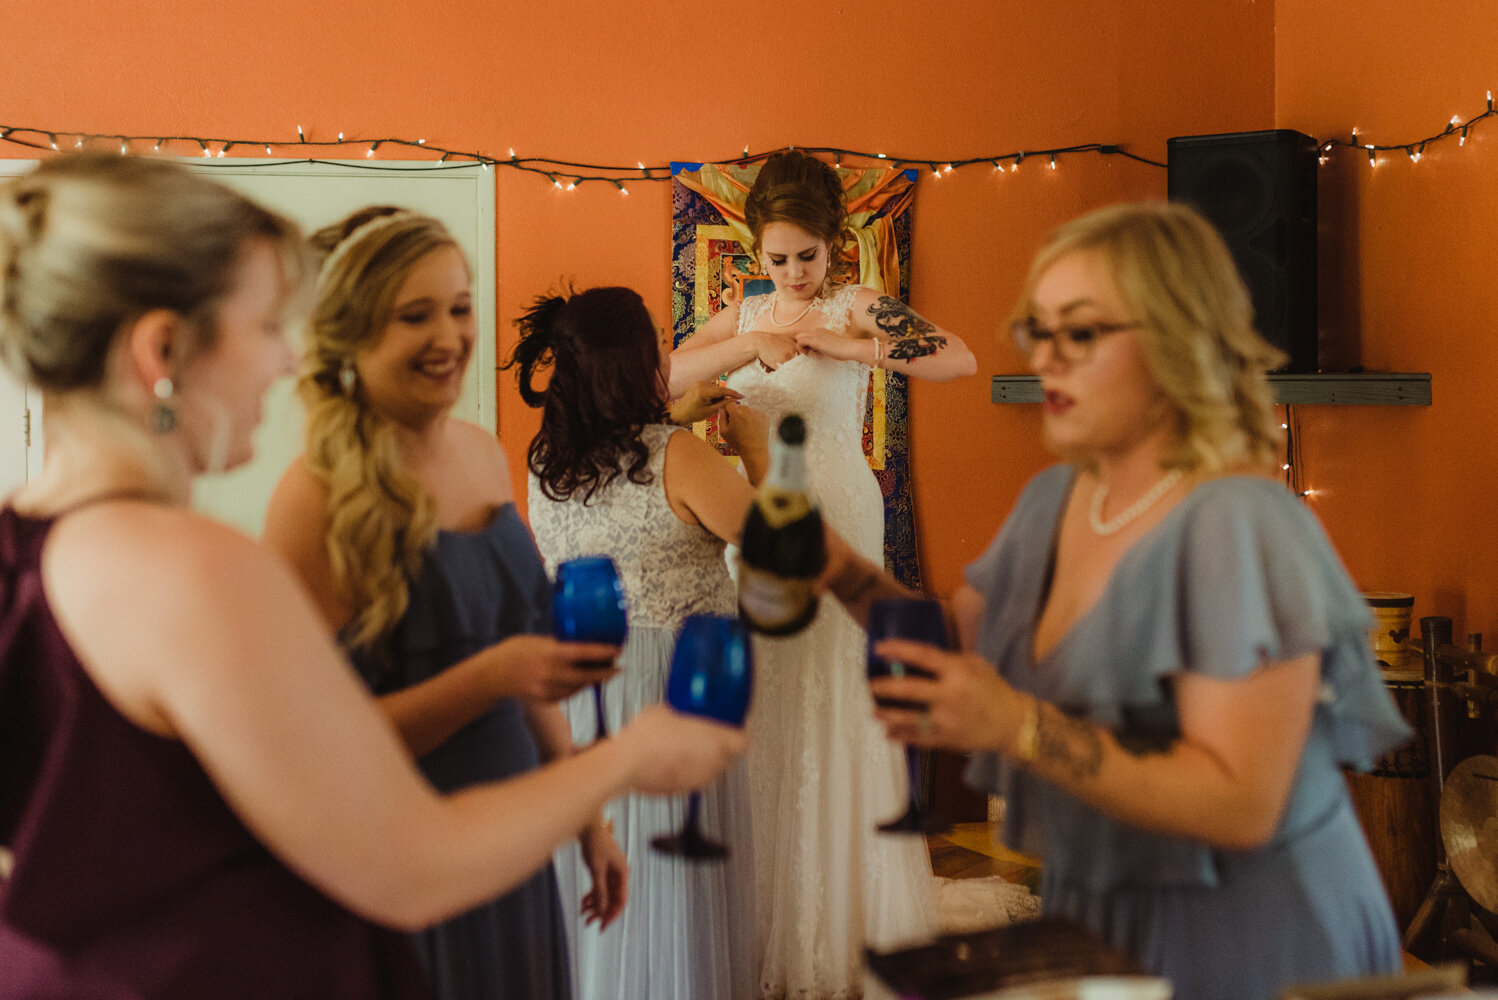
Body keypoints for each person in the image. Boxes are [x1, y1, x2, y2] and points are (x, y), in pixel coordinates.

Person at [0, 153, 743, 1000]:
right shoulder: (195, 571)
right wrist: (627, 759)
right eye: (265, 326)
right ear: (163, 348)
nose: (288, 363)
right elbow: (413, 864)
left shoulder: (29, 543)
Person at [862, 201, 1411, 1000]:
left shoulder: (1240, 521)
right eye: (1037, 330)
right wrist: (816, 570)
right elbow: (949, 633)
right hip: (1105, 916)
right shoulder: (1057, 499)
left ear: (1176, 340)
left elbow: (1240, 802)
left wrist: (1017, 726)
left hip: (1250, 932)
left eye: (1080, 332)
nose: (1047, 359)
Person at [261, 207, 627, 1000]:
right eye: (414, 315)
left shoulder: (481, 453)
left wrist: (586, 818)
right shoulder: (314, 499)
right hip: (403, 853)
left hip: (514, 836)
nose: (451, 337)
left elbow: (527, 668)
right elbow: (311, 747)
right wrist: (491, 677)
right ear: (351, 336)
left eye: (460, 308)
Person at [669, 149, 977, 997]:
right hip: (764, 511)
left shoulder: (856, 304)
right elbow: (661, 376)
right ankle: (761, 906)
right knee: (771, 693)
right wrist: (751, 339)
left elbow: (958, 358)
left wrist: (848, 344)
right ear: (755, 253)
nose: (796, 272)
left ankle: (849, 914)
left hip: (841, 505)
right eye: (779, 259)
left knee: (839, 693)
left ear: (833, 246)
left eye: (808, 255)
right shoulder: (744, 310)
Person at [509, 285, 767, 1000]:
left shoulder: (543, 462)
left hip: (587, 692)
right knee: (675, 871)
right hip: (677, 689)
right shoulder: (680, 457)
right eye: (657, 342)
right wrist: (757, 457)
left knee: (608, 865)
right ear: (635, 365)